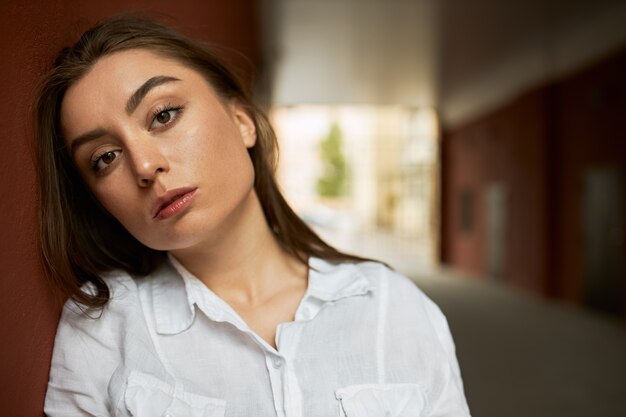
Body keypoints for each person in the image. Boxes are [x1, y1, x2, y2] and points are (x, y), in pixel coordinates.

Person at [35, 15, 471, 417]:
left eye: (163, 115)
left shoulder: (393, 307)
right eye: (106, 157)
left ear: (243, 120)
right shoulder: (104, 329)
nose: (145, 166)